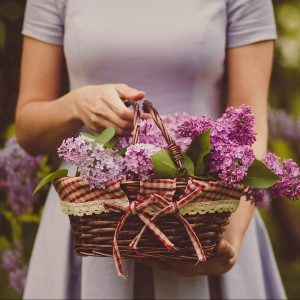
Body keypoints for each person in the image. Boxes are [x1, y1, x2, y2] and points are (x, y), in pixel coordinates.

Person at [16, 0, 286, 299]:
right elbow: (28, 130)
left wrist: (228, 241)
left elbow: (250, 127)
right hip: (91, 214)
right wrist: (75, 105)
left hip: (205, 212)